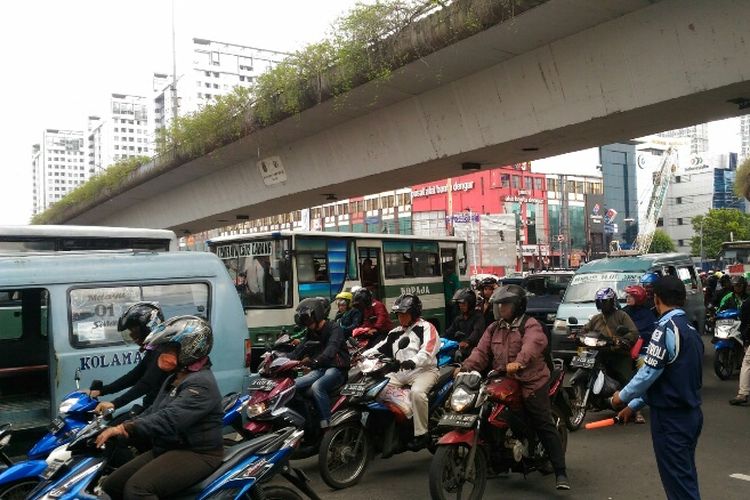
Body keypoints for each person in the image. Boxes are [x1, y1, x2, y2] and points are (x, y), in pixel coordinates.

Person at [458, 284, 569, 490]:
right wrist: (465, 367)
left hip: (531, 379)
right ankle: (493, 459)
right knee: (485, 409)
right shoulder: (494, 327)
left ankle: (560, 472)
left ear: (518, 306)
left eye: (506, 305)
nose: (501, 309)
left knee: (542, 421)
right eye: (499, 305)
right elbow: (481, 352)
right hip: (503, 377)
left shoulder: (530, 325)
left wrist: (519, 362)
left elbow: (532, 344)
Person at [98, 316, 223, 499]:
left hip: (197, 452)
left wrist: (126, 428)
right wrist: (121, 428)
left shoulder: (200, 384)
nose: (163, 353)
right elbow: (155, 410)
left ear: (191, 348)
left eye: (169, 349)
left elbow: (170, 419)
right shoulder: (175, 377)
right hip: (168, 447)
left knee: (137, 489)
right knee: (112, 485)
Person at [612, 276, 704, 500]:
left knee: (679, 486)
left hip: (671, 419)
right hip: (690, 416)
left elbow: (649, 373)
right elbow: (668, 378)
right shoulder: (691, 330)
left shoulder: (664, 329)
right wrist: (634, 406)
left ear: (657, 298)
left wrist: (621, 397)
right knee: (684, 478)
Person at [370, 294, 440, 451]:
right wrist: (360, 355)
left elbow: (428, 350)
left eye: (404, 314)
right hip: (400, 373)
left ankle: (422, 434)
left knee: (417, 393)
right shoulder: (395, 332)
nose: (401, 318)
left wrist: (413, 361)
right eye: (399, 314)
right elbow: (379, 348)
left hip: (424, 371)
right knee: (374, 388)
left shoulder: (426, 328)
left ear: (414, 314)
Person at [88, 302, 167, 415]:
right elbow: (134, 376)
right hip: (152, 406)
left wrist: (115, 403)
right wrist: (102, 391)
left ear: (149, 328)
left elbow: (146, 383)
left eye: (135, 332)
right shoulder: (153, 349)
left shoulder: (163, 351)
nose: (132, 337)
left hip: (160, 410)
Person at [289, 297, 350, 428]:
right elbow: (300, 349)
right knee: (290, 386)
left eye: (307, 320)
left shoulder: (334, 328)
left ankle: (327, 424)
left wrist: (315, 361)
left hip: (337, 369)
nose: (306, 324)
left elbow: (331, 349)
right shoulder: (311, 331)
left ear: (316, 315)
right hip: (320, 369)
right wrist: (280, 359)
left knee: (318, 386)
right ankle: (305, 422)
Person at [582, 288, 639, 388]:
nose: (602, 304)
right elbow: (585, 329)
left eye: (604, 302)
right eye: (600, 302)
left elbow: (633, 332)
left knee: (625, 382)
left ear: (612, 301)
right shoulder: (596, 318)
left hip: (618, 354)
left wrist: (621, 340)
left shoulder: (621, 315)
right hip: (598, 353)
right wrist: (576, 335)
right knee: (584, 373)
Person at [622, 285, 657, 424]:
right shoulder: (622, 313)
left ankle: (637, 410)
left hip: (641, 351)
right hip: (622, 349)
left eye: (631, 296)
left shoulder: (648, 315)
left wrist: (639, 338)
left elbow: (652, 333)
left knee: (642, 368)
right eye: (628, 296)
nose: (628, 298)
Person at [444, 288, 485, 359]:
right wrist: (438, 339)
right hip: (460, 349)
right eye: (459, 303)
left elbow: (477, 332)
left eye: (463, 303)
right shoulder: (459, 319)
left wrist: (468, 342)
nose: (461, 306)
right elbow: (449, 332)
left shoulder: (478, 317)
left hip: (474, 350)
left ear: (470, 303)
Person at [729, 291, 750, 405]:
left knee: (747, 363)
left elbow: (744, 322)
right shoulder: (729, 296)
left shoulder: (747, 302)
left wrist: (746, 340)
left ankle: (743, 393)